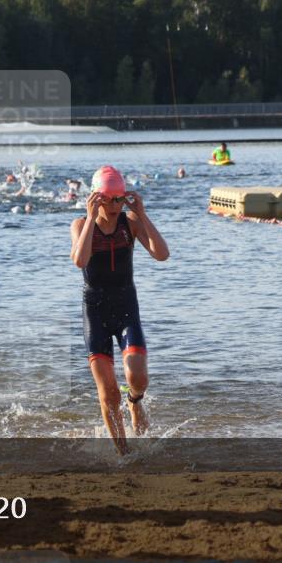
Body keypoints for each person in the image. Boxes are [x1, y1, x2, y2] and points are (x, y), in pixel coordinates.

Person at [70, 166, 169, 454]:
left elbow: (162, 254)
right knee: (109, 393)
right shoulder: (80, 224)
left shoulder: (131, 223)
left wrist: (142, 214)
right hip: (95, 312)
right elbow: (79, 260)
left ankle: (135, 402)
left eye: (120, 199)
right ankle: (123, 454)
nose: (116, 206)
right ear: (96, 198)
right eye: (110, 199)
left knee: (137, 377)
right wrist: (91, 218)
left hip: (126, 307)